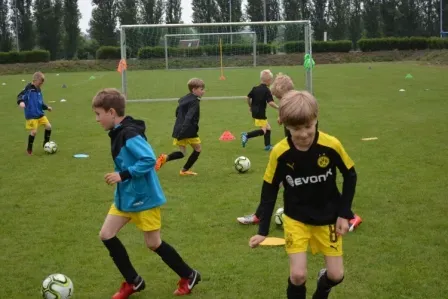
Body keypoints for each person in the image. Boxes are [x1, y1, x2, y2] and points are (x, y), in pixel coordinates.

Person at [92, 88, 201, 299]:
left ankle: (189, 275)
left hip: (144, 198)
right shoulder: (119, 131)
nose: (97, 119)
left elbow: (149, 159)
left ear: (112, 112)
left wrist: (123, 175)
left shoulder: (128, 134)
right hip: (125, 197)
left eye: (98, 114)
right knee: (106, 234)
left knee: (153, 243)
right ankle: (133, 282)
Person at [248, 90, 357, 299]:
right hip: (296, 218)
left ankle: (322, 287)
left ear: (316, 118)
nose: (304, 133)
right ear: (284, 124)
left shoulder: (330, 145)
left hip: (329, 219)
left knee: (336, 275)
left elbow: (350, 175)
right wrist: (263, 230)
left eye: (308, 126)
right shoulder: (280, 153)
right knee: (297, 275)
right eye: (296, 128)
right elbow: (269, 190)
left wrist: (344, 213)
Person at [236, 72, 295, 225]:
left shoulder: (296, 106)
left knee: (316, 185)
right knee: (271, 182)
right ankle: (258, 216)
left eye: (280, 98)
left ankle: (347, 215)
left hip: (299, 154)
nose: (279, 101)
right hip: (290, 152)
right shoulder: (290, 105)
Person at [155, 78, 205, 176]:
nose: (203, 91)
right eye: (201, 89)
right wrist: (185, 129)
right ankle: (184, 170)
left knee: (182, 153)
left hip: (179, 129)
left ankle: (164, 158)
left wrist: (180, 127)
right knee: (198, 149)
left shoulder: (185, 98)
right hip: (188, 130)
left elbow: (177, 111)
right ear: (194, 90)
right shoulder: (194, 101)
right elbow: (189, 117)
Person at [241, 69, 279, 151]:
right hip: (260, 113)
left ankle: (267, 146)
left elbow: (248, 97)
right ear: (268, 81)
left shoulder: (255, 88)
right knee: (263, 130)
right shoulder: (266, 90)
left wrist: (250, 106)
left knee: (268, 128)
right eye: (271, 80)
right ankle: (246, 135)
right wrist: (279, 108)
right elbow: (270, 102)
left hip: (255, 112)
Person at [17, 71, 52, 155]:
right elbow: (20, 95)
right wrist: (21, 102)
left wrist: (47, 107)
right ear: (35, 80)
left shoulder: (38, 89)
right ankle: (29, 149)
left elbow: (40, 102)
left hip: (40, 114)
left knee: (48, 126)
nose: (41, 84)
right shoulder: (28, 88)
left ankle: (46, 144)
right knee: (34, 132)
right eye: (40, 82)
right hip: (32, 115)